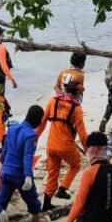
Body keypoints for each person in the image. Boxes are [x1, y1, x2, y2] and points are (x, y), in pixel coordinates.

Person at [0, 105, 49, 222]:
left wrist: (0, 164)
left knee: (0, 202)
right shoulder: (31, 134)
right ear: (38, 120)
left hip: (6, 172)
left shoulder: (12, 129)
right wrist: (28, 176)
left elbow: (5, 150)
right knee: (32, 199)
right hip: (20, 174)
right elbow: (27, 156)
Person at [36, 81, 89, 211]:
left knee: (52, 174)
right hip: (66, 146)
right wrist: (87, 149)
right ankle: (63, 188)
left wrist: (35, 138)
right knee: (76, 164)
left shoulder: (53, 101)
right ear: (77, 93)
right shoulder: (76, 108)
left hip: (51, 145)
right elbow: (82, 132)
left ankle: (46, 204)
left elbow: (42, 122)